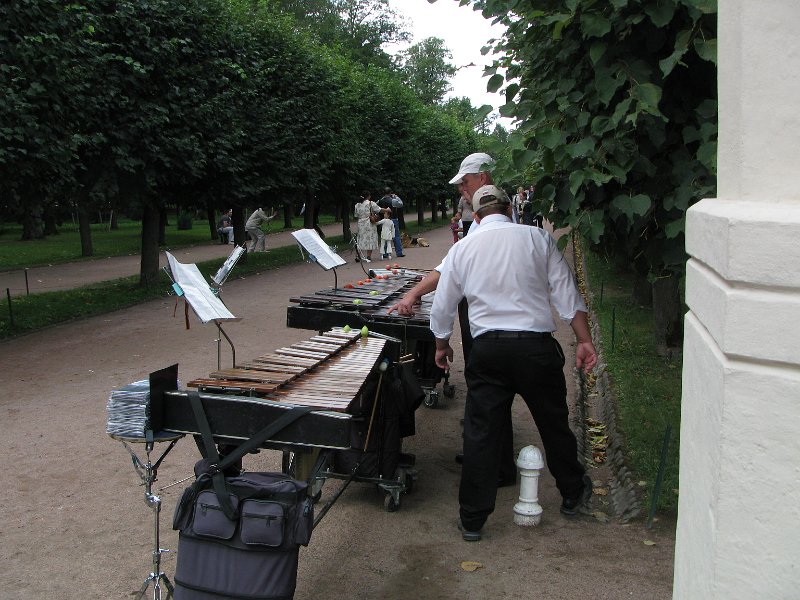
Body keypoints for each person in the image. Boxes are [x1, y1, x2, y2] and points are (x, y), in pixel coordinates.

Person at [429, 183, 598, 541]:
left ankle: (473, 518)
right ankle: (571, 492)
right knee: (554, 424)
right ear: (510, 209)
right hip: (536, 347)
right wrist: (584, 340)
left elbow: (443, 307)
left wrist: (442, 346)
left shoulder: (462, 249)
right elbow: (567, 295)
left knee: (481, 432)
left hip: (488, 349)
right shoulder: (538, 239)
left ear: (475, 217)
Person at [388, 152, 517, 490]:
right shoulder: (489, 211)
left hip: (485, 314)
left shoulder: (490, 214)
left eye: (466, 181)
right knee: (487, 390)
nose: (462, 188)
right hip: (488, 308)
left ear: (483, 179)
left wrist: (413, 295)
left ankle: (494, 465)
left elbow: (449, 266)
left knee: (489, 389)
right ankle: (487, 453)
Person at [354, 191, 381, 263]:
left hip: (361, 224)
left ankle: (358, 255)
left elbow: (356, 215)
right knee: (370, 239)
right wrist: (387, 210)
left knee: (360, 239)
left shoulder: (357, 205)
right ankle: (368, 256)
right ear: (368, 196)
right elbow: (379, 209)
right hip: (369, 223)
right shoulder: (370, 203)